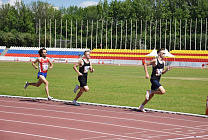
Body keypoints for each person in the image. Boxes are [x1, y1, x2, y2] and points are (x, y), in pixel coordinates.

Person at [139, 48, 172, 113]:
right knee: (163, 91)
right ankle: (149, 91)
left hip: (158, 79)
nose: (164, 55)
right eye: (163, 53)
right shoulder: (155, 61)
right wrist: (147, 74)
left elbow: (162, 72)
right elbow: (145, 64)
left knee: (151, 95)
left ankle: (141, 106)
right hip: (153, 79)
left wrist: (166, 70)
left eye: (164, 53)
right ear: (159, 54)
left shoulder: (163, 62)